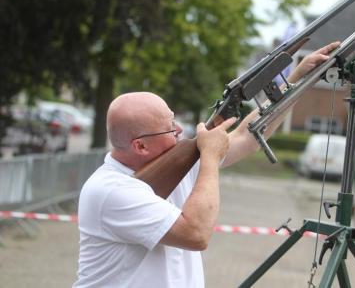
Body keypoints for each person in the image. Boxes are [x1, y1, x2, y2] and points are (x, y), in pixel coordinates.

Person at [73, 41, 340, 288]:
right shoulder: (109, 190)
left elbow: (247, 137)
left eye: (173, 120)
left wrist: (295, 81)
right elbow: (196, 234)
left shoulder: (172, 161)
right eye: (169, 128)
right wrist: (209, 159)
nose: (179, 129)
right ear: (140, 146)